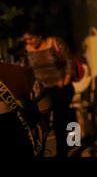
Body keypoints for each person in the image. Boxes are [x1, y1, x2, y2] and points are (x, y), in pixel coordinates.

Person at [23, 28, 76, 157]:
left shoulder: (55, 42)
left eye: (31, 38)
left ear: (40, 35)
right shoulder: (27, 48)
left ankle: (65, 149)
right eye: (26, 39)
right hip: (42, 89)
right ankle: (41, 151)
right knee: (42, 122)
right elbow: (29, 69)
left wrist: (66, 80)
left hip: (60, 87)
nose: (29, 42)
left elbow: (69, 61)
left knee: (61, 120)